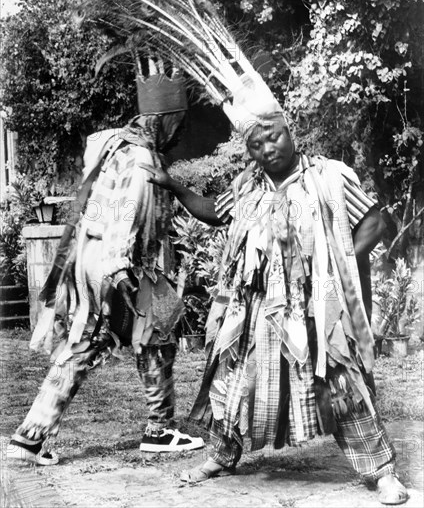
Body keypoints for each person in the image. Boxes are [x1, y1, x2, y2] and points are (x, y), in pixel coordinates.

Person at [140, 84, 408, 505]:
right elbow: (214, 211)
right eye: (256, 143)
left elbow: (373, 222)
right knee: (231, 381)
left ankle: (382, 473)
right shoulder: (248, 187)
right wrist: (173, 185)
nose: (268, 148)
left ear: (291, 130)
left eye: (274, 136)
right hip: (257, 308)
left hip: (317, 306)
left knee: (339, 383)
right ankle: (221, 455)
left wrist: (335, 266)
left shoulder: (328, 177)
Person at [6, 71, 204, 465]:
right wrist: (119, 271)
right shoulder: (143, 158)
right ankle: (36, 436)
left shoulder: (117, 147)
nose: (180, 134)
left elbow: (99, 206)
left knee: (144, 339)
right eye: (177, 123)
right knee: (115, 339)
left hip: (98, 259)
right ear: (163, 120)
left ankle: (154, 429)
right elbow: (125, 215)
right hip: (120, 265)